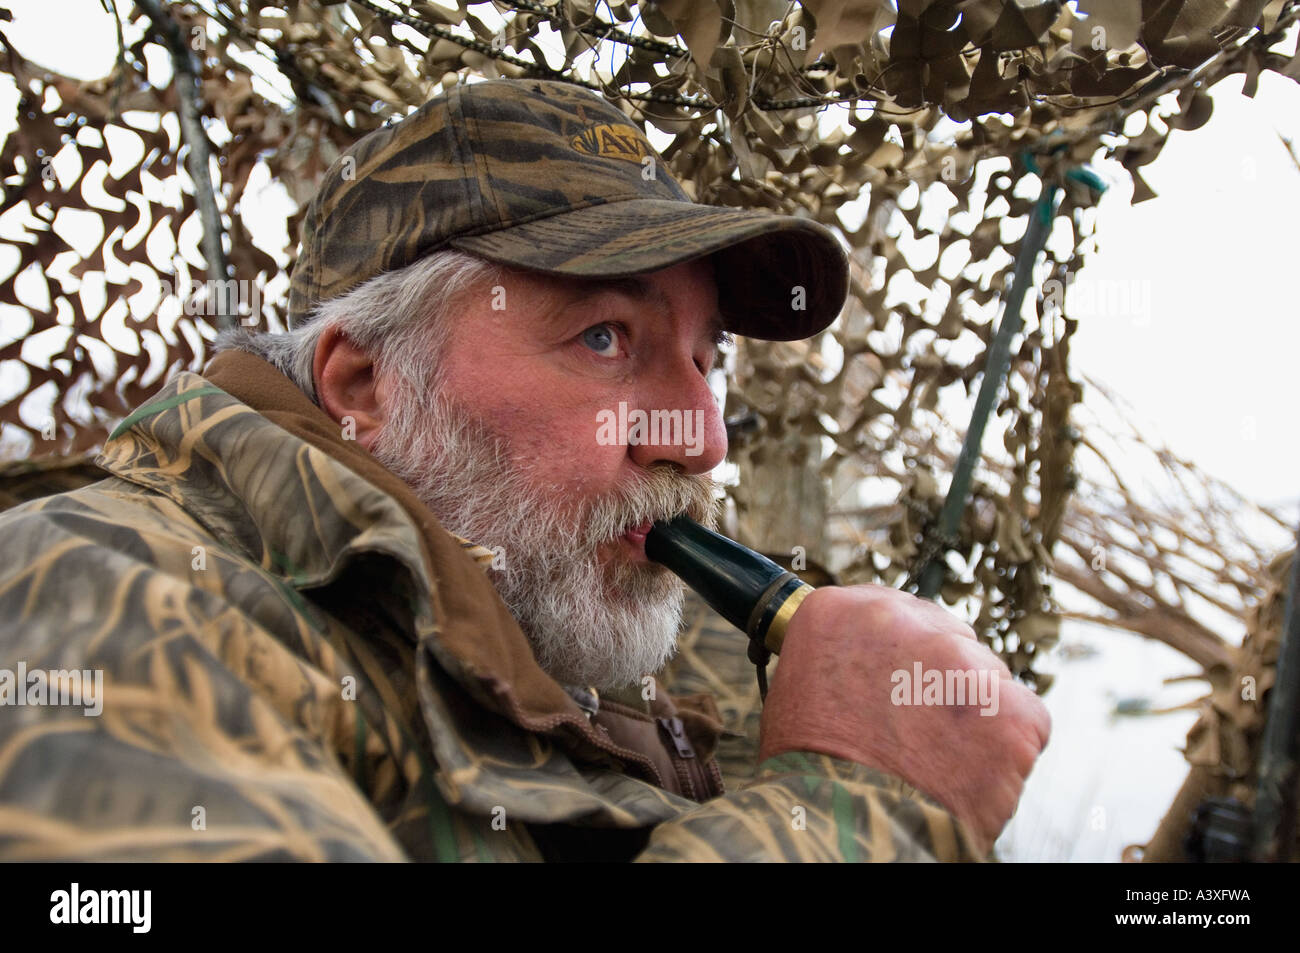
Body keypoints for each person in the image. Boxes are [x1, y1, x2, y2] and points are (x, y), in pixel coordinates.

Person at [0, 78, 1048, 861]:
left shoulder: (565, 619)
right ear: (365, 385)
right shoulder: (112, 592)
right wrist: (855, 805)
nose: (701, 436)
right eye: (603, 336)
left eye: (706, 356)